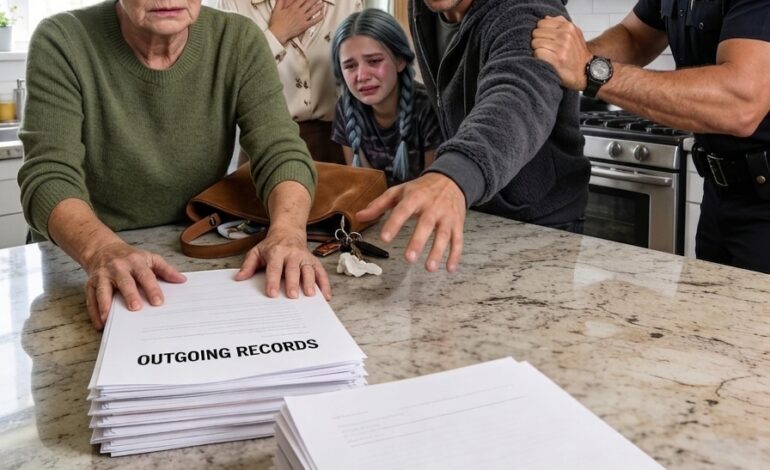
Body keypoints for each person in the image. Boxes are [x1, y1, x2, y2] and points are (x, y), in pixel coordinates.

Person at [17, 0, 331, 331]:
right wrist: (101, 251)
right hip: (80, 255)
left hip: (189, 249)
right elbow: (48, 176)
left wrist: (288, 232)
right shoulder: (62, 40)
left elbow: (280, 150)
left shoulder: (239, 39)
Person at [531, 1, 770, 274]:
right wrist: (561, 59)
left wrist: (591, 70)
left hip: (764, 204)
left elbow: (740, 103)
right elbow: (634, 38)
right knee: (707, 312)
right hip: (720, 192)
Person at [356, 0, 590, 273]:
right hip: (477, 212)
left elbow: (516, 99)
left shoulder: (526, 10)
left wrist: (456, 174)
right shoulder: (425, 7)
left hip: (542, 225)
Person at [217, 0, 363, 165]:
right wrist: (275, 35)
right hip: (263, 146)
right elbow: (226, 80)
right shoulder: (234, 4)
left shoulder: (347, 3)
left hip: (336, 144)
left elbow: (362, 71)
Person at [330, 8, 442, 186]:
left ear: (400, 60)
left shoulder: (428, 108)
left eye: (374, 61)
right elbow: (363, 187)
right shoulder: (345, 109)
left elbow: (432, 188)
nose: (362, 76)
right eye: (350, 66)